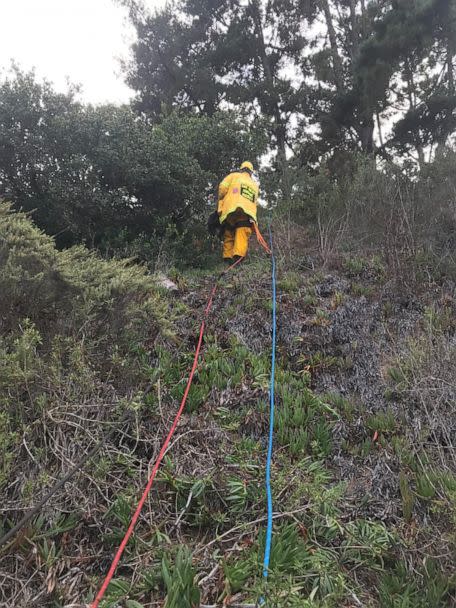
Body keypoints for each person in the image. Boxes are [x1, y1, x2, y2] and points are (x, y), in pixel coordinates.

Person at [217, 161, 259, 262]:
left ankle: (227, 258)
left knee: (229, 231)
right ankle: (238, 258)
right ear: (251, 172)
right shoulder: (255, 185)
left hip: (231, 209)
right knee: (242, 231)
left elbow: (222, 189)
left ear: (241, 169)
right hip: (247, 212)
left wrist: (221, 199)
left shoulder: (233, 176)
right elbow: (255, 202)